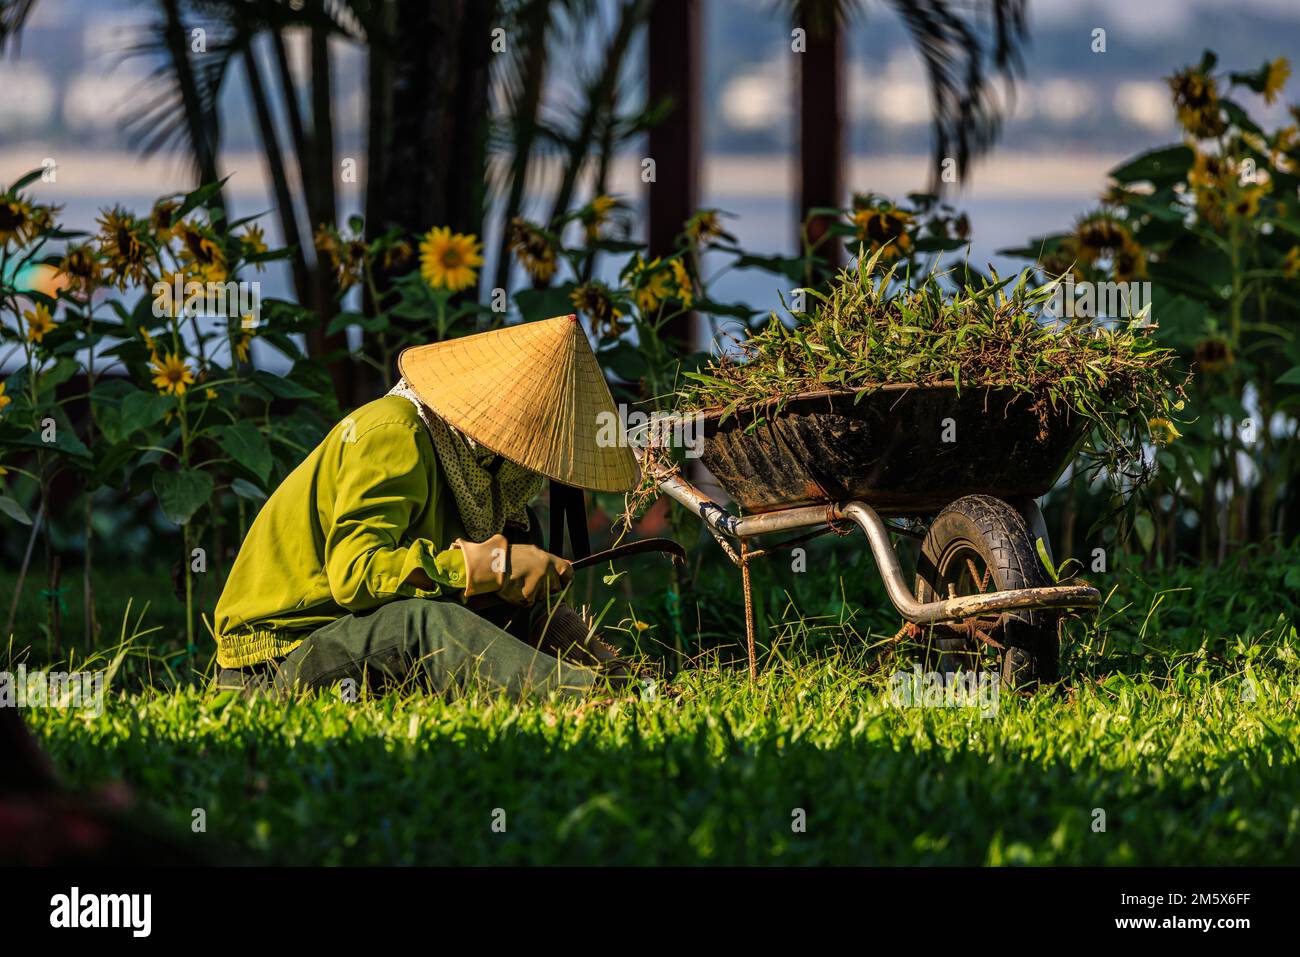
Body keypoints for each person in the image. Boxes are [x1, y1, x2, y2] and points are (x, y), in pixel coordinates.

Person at [212, 314, 640, 701]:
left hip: (351, 640)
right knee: (418, 624)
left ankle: (616, 693)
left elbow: (536, 616)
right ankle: (584, 701)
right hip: (272, 669)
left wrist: (620, 676)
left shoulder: (492, 487)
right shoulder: (394, 433)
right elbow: (355, 574)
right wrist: (487, 566)